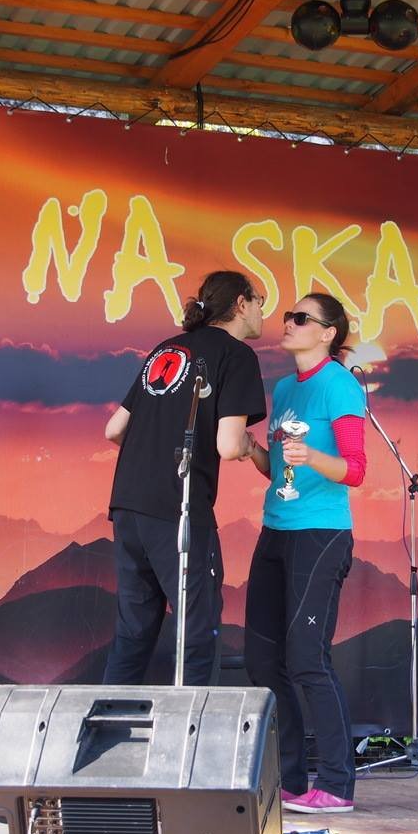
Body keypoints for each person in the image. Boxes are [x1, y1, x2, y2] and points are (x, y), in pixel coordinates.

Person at [103, 270, 267, 686]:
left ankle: (105, 722)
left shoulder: (167, 349)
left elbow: (114, 429)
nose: (262, 310)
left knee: (133, 631)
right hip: (178, 508)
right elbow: (228, 445)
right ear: (241, 304)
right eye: (260, 300)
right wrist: (251, 447)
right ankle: (193, 726)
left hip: (128, 503)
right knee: (197, 631)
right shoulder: (236, 355)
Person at [242, 292, 367, 815]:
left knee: (307, 659)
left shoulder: (340, 385)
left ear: (328, 333)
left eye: (301, 318)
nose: (288, 323)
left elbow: (355, 469)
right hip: (277, 528)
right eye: (288, 316)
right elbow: (281, 472)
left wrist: (312, 454)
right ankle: (292, 779)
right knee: (262, 659)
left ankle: (336, 785)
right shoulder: (286, 388)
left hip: (321, 533)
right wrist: (255, 451)